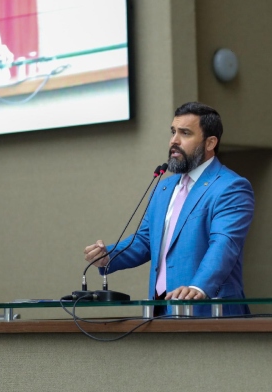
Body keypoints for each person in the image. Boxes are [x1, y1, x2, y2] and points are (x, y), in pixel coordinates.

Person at [84, 102, 255, 317]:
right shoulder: (164, 187)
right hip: (161, 310)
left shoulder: (230, 187)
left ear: (210, 142)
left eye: (185, 133)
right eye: (173, 132)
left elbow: (224, 244)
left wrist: (198, 287)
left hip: (210, 309)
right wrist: (109, 256)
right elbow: (145, 240)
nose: (174, 141)